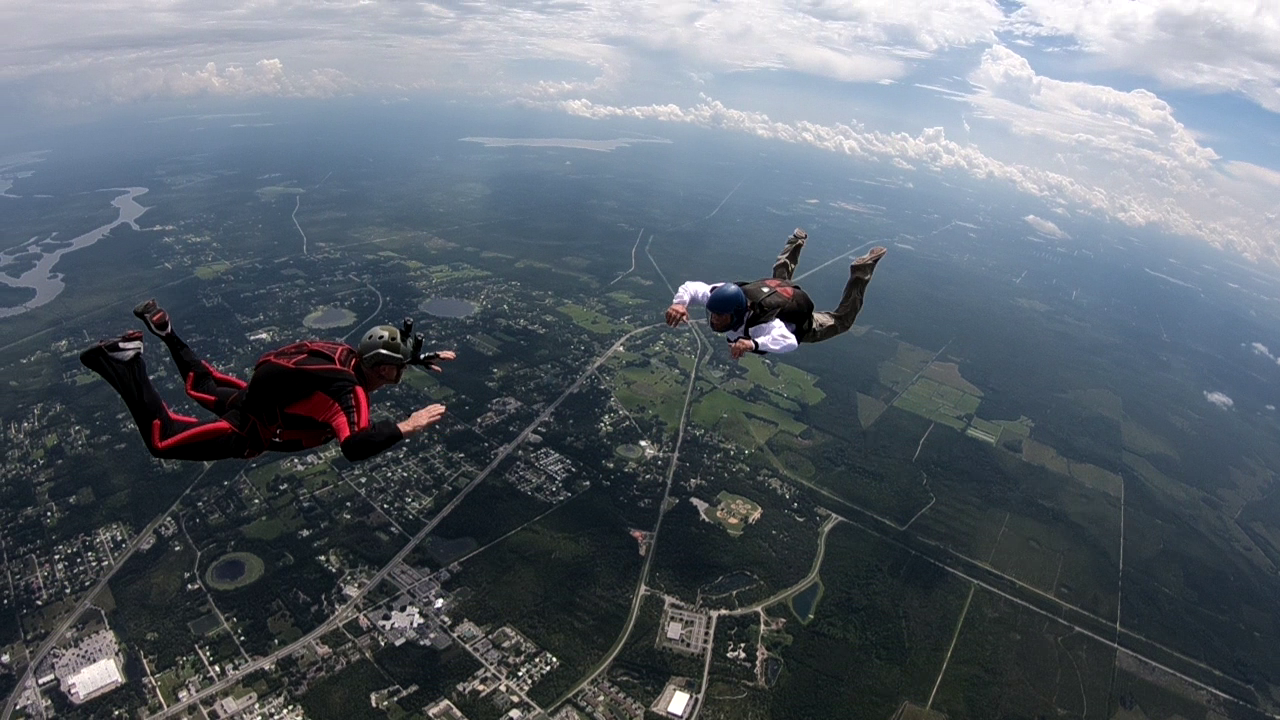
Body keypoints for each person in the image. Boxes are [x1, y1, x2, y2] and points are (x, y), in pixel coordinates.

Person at [78, 299, 456, 462]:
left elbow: (382, 357)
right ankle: (125, 360)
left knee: (202, 384)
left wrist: (417, 357)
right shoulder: (349, 393)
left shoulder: (342, 354)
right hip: (246, 431)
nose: (397, 378)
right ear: (377, 369)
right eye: (395, 372)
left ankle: (166, 331)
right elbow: (354, 446)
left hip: (254, 400)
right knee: (163, 440)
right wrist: (407, 427)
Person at [664, 228, 886, 357]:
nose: (715, 319)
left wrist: (754, 344)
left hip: (803, 323)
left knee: (843, 321)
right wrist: (680, 303)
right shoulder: (720, 294)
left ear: (737, 312)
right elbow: (692, 287)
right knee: (780, 280)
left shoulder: (764, 325)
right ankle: (795, 241)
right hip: (774, 292)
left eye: (720, 316)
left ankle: (861, 272)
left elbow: (789, 341)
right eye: (713, 314)